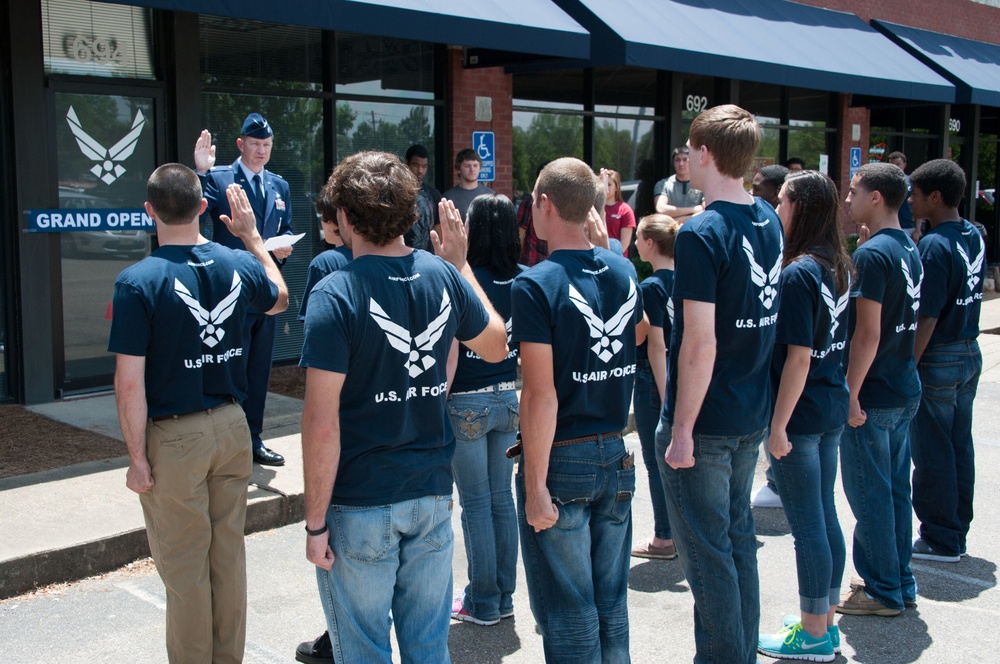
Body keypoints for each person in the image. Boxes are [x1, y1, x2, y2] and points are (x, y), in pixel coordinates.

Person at [300, 151, 508, 664]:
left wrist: (314, 524)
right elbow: (498, 344)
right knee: (427, 650)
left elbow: (321, 426)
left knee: (365, 651)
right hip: (432, 495)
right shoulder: (443, 275)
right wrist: (460, 268)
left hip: (362, 500)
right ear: (411, 215)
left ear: (345, 217)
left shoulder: (335, 292)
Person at [110, 164, 288, 663]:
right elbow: (280, 298)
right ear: (204, 208)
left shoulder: (137, 282)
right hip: (232, 424)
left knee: (186, 568)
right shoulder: (238, 263)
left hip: (176, 436)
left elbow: (129, 382)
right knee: (226, 557)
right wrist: (254, 238)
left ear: (149, 212)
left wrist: (137, 458)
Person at [654, 104, 784, 664]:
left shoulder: (703, 232)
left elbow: (700, 343)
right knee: (735, 546)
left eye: (689, 147)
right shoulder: (769, 218)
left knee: (709, 559)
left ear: (704, 153)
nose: (686, 156)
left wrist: (681, 428)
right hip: (749, 408)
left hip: (707, 420)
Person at [512, 157, 647, 663]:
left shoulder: (535, 283)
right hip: (615, 450)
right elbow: (635, 334)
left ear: (544, 205)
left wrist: (534, 487)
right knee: (610, 602)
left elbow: (541, 394)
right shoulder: (623, 267)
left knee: (569, 610)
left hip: (562, 457)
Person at [756, 171, 853, 662]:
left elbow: (798, 357)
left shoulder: (798, 273)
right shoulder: (838, 264)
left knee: (808, 526)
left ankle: (814, 634)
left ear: (801, 208)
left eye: (782, 201)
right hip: (830, 404)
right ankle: (825, 621)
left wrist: (777, 428)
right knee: (823, 516)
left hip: (802, 414)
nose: (776, 209)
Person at [837, 162, 922, 618]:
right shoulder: (907, 245)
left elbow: (867, 335)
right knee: (893, 492)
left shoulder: (871, 255)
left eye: (853, 190)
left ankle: (883, 589)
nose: (847, 199)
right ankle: (898, 580)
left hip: (876, 392)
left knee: (870, 493)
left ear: (876, 197)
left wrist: (850, 394)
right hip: (902, 384)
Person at [194, 113, 293, 466]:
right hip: (230, 294)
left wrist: (283, 249)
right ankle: (225, 443)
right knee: (229, 369)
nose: (261, 151)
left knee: (258, 370)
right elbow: (196, 213)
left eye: (266, 145)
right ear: (240, 144)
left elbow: (287, 227)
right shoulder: (221, 179)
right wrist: (202, 171)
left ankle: (252, 439)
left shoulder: (279, 186)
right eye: (255, 144)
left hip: (265, 291)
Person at [448, 194, 526, 626]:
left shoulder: (461, 277)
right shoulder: (526, 278)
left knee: (476, 505)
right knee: (501, 502)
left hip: (466, 404)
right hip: (508, 398)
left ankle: (482, 601)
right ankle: (503, 596)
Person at [908, 159, 985, 563]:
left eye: (916, 194)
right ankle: (957, 527)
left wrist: (909, 364)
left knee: (933, 450)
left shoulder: (935, 247)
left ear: (934, 197)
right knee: (958, 446)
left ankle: (940, 537)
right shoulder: (973, 233)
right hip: (969, 350)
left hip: (938, 355)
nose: (910, 200)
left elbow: (927, 316)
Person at [631, 213, 679, 561]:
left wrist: (666, 399)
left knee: (656, 460)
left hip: (655, 378)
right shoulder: (689, 280)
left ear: (650, 244)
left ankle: (665, 537)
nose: (633, 243)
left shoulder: (651, 288)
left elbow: (656, 345)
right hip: (687, 374)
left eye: (637, 238)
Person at [749, 162, 790, 510]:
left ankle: (778, 482)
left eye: (759, 186)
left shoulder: (774, 230)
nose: (753, 191)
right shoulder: (769, 227)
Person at [297, 174, 352, 322]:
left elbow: (313, 322)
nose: (321, 221)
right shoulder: (374, 256)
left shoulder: (324, 264)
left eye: (323, 215)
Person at [404, 144, 442, 251]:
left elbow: (439, 228)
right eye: (416, 165)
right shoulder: (398, 192)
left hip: (428, 255)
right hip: (402, 255)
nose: (420, 170)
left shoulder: (434, 194)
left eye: (424, 166)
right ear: (406, 163)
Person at [654, 146, 705, 222]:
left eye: (685, 160)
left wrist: (676, 220)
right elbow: (661, 209)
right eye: (677, 160)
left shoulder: (702, 183)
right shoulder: (663, 184)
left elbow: (705, 210)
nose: (681, 164)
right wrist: (693, 210)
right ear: (673, 163)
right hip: (670, 232)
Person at [443, 148, 493, 221]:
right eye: (467, 166)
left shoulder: (491, 196)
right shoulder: (448, 198)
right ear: (458, 169)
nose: (472, 170)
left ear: (480, 168)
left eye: (475, 165)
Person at [518, 163, 551, 266]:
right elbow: (519, 235)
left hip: (546, 262)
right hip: (533, 262)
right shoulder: (530, 203)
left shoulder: (561, 203)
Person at [603, 168, 637, 254]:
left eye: (609, 184)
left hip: (617, 257)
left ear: (616, 188)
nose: (605, 187)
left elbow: (624, 244)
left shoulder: (625, 210)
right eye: (603, 184)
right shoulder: (594, 208)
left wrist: (613, 257)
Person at [887, 151, 916, 237]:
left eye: (898, 164)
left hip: (908, 226)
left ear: (904, 165)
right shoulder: (884, 183)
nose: (895, 167)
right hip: (889, 226)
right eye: (892, 164)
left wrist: (917, 230)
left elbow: (918, 202)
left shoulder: (911, 181)